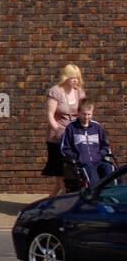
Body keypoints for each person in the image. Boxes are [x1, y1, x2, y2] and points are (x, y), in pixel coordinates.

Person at [43, 63, 84, 195]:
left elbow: (84, 111)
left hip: (73, 136)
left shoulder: (79, 93)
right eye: (73, 78)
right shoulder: (55, 92)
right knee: (60, 173)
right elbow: (50, 115)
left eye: (77, 78)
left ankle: (52, 199)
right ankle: (61, 199)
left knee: (69, 171)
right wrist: (58, 130)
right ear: (66, 77)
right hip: (58, 138)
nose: (75, 81)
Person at [61, 98, 113, 188]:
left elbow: (106, 146)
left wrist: (100, 155)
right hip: (82, 163)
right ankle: (95, 194)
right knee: (90, 169)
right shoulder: (71, 127)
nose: (86, 117)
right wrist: (77, 158)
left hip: (98, 161)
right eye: (84, 114)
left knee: (108, 167)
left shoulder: (97, 127)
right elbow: (65, 148)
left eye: (89, 114)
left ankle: (110, 195)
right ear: (78, 112)